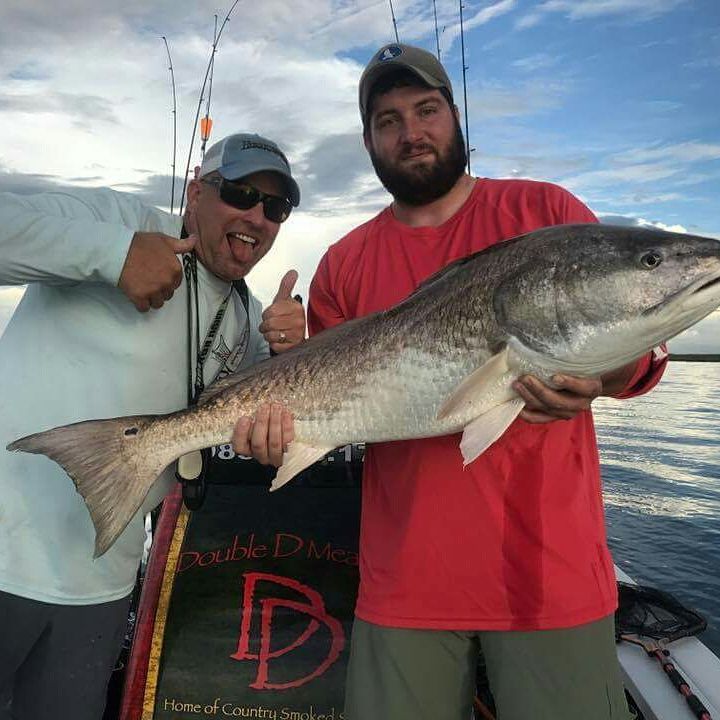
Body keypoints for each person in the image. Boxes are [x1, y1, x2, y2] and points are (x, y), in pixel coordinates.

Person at [235, 46, 668, 719]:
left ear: (456, 116)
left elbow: (638, 353)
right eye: (388, 120)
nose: (411, 131)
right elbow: (332, 404)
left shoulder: (546, 212)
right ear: (369, 141)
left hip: (550, 580)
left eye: (427, 109)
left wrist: (603, 373)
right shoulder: (346, 261)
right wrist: (283, 384)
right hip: (403, 584)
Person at [0, 132, 305, 720]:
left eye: (275, 207)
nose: (256, 216)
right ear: (195, 191)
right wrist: (113, 253)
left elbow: (240, 413)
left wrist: (285, 353)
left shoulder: (246, 313)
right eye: (240, 192)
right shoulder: (121, 217)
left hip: (101, 588)